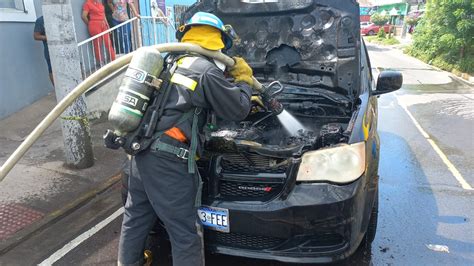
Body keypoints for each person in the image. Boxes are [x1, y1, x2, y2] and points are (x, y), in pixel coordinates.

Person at [118, 12, 254, 266]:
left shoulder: (170, 61)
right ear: (219, 42)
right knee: (185, 233)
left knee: (135, 218)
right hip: (168, 162)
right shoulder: (206, 71)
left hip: (141, 153)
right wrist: (244, 82)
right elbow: (238, 110)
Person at [82, 0, 116, 64]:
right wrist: (90, 24)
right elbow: (84, 16)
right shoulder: (87, 3)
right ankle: (100, 62)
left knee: (108, 42)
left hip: (103, 24)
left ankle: (113, 59)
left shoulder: (99, 3)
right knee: (97, 44)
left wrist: (108, 26)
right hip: (94, 25)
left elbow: (103, 15)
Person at [33, 16, 54, 86]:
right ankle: (58, 91)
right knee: (52, 70)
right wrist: (49, 37)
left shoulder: (58, 16)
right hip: (50, 50)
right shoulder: (40, 20)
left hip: (64, 48)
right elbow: (36, 36)